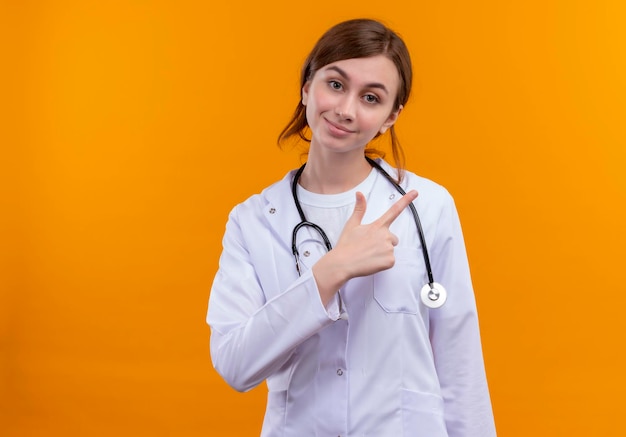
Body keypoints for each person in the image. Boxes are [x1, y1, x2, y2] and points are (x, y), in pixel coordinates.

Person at [207, 18, 496, 437]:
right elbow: (235, 364)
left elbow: (459, 362)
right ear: (308, 85)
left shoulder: (428, 206)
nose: (345, 110)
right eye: (336, 84)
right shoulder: (252, 221)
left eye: (371, 97)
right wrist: (330, 272)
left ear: (390, 117)